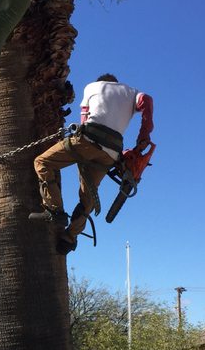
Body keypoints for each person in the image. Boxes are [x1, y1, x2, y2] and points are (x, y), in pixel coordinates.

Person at [29, 73, 154, 254]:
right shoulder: (132, 93)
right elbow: (147, 100)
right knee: (88, 195)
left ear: (101, 81)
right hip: (111, 154)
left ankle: (54, 211)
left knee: (42, 162)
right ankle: (69, 238)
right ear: (116, 83)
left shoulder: (92, 87)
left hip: (89, 140)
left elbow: (84, 120)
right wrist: (144, 135)